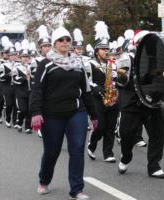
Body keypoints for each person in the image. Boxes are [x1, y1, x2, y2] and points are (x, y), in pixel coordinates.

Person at [29, 26, 98, 200]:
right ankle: (44, 180)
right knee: (52, 151)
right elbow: (37, 90)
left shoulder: (78, 63)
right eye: (61, 40)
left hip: (76, 112)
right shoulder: (46, 64)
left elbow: (87, 90)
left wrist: (94, 114)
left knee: (77, 149)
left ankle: (76, 190)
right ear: (54, 43)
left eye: (67, 40)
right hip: (52, 115)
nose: (65, 43)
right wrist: (36, 112)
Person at [116, 29, 164, 178]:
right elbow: (121, 82)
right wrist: (122, 76)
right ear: (137, 43)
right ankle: (125, 157)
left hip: (151, 101)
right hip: (132, 103)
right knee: (126, 135)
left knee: (158, 133)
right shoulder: (127, 58)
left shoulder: (158, 58)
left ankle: (154, 165)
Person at [87, 21, 119, 163]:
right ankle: (92, 144)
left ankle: (108, 153)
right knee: (100, 127)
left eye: (107, 48)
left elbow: (118, 80)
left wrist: (118, 77)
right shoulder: (90, 63)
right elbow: (87, 80)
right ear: (96, 51)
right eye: (103, 49)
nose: (106, 51)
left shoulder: (112, 64)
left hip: (112, 98)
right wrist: (97, 89)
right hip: (97, 98)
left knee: (111, 127)